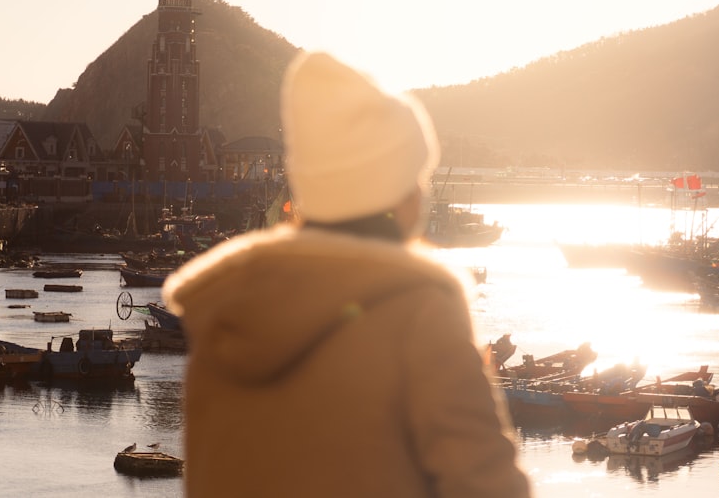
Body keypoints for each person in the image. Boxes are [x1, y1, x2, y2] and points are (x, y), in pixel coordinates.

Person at [163, 51, 531, 498]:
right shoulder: (421, 310)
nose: (423, 192)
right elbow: (488, 485)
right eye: (417, 176)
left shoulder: (225, 314)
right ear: (393, 192)